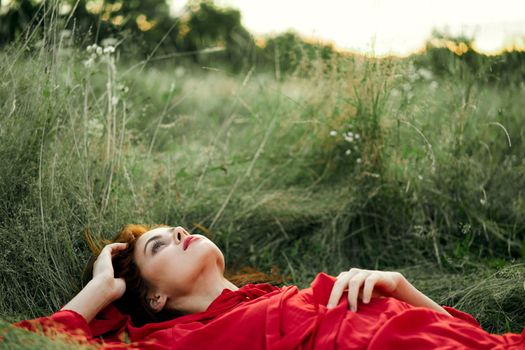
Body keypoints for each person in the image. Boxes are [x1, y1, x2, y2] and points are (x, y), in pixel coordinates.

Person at [14, 224, 525, 349]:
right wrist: (101, 290)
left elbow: (467, 331)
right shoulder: (177, 340)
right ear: (154, 298)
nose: (175, 232)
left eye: (172, 229)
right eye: (158, 247)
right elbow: (27, 343)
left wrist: (400, 286)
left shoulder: (275, 297)